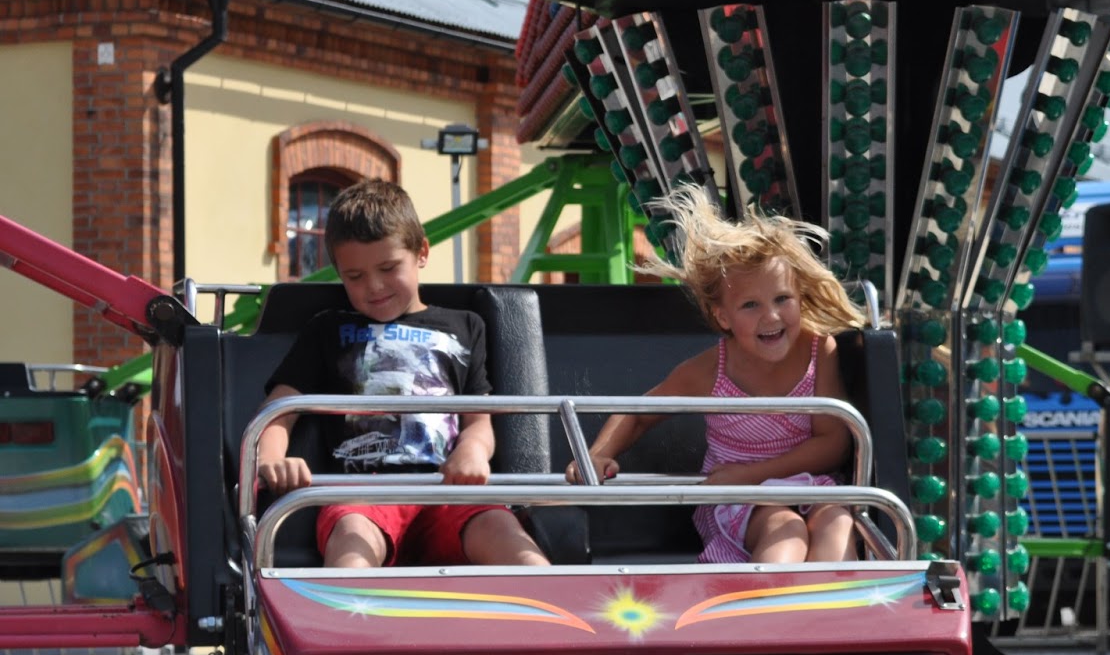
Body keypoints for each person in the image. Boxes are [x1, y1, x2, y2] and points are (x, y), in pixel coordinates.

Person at [255, 179, 548, 570]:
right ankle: (346, 608)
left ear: (421, 252)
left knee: (507, 535)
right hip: (364, 494)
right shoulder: (326, 330)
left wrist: (473, 452)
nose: (374, 286)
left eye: (388, 268)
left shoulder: (465, 327)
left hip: (447, 490)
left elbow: (479, 421)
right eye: (354, 276)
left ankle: (559, 606)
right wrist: (272, 459)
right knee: (352, 542)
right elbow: (278, 410)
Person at [565, 184, 863, 563]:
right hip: (734, 496)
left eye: (782, 299)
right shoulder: (710, 370)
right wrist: (598, 454)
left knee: (838, 521)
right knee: (785, 529)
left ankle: (833, 600)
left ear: (799, 297)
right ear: (723, 317)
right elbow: (638, 413)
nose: (771, 316)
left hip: (806, 484)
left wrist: (756, 473)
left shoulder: (819, 350)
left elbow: (833, 442)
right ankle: (769, 598)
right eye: (751, 305)